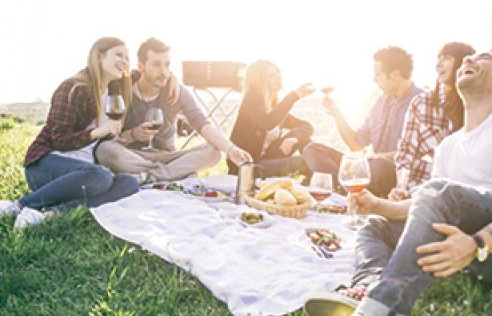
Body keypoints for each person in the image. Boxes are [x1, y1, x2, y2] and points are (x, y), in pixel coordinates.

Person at [290, 49, 492, 316]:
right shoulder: (449, 146)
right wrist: (377, 205)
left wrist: (477, 243)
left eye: (483, 60)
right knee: (377, 227)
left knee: (438, 191)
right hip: (476, 251)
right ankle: (369, 289)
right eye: (469, 59)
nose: (468, 60)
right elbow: (426, 208)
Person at [0, 37, 139, 229]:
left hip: (83, 174)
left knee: (129, 183)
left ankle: (48, 214)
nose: (125, 61)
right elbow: (59, 139)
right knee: (101, 176)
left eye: (127, 57)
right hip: (45, 165)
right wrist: (96, 133)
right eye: (119, 54)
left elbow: (141, 74)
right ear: (99, 56)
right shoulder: (74, 88)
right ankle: (18, 206)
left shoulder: (112, 94)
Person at [95, 38, 252, 182]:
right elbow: (112, 137)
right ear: (141, 66)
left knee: (213, 152)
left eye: (167, 65)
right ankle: (168, 174)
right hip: (133, 156)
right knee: (104, 150)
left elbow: (201, 123)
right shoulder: (123, 90)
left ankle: (150, 176)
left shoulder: (177, 92)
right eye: (156, 64)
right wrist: (133, 134)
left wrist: (231, 149)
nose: (163, 71)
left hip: (169, 156)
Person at [302, 46, 423, 197]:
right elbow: (356, 144)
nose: (374, 80)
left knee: (380, 167)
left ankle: (343, 186)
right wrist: (337, 115)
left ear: (395, 75)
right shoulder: (381, 102)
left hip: (393, 172)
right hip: (369, 167)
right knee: (313, 150)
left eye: (378, 75)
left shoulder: (423, 103)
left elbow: (423, 155)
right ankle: (346, 187)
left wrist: (378, 158)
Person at [391, 42, 475, 200]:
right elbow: (406, 151)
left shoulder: (476, 108)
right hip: (419, 189)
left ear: (463, 64)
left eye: (447, 58)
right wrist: (401, 187)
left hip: (459, 195)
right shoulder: (421, 103)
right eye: (439, 58)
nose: (439, 64)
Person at [227, 60, 315, 178]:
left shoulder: (274, 108)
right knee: (304, 162)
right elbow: (268, 122)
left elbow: (307, 126)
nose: (279, 77)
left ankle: (320, 184)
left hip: (268, 161)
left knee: (307, 144)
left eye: (278, 73)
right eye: (272, 76)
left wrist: (295, 138)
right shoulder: (251, 100)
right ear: (260, 81)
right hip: (249, 168)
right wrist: (294, 96)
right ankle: (322, 184)